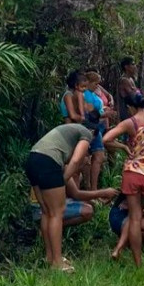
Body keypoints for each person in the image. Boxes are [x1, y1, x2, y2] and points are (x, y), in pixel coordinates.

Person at [25, 115, 119, 272]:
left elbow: (74, 185)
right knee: (56, 213)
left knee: (47, 212)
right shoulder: (86, 133)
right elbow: (75, 160)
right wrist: (61, 181)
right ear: (93, 132)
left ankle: (50, 257)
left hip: (32, 160)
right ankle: (57, 262)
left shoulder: (65, 136)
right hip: (48, 163)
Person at [102, 92, 144, 266]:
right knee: (142, 213)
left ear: (130, 107)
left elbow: (106, 139)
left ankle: (138, 263)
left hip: (132, 173)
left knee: (135, 217)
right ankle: (125, 250)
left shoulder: (130, 123)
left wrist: (123, 146)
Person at [117, 57, 139, 122]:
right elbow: (134, 97)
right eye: (133, 64)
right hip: (126, 113)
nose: (135, 66)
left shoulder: (131, 79)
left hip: (133, 112)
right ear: (126, 67)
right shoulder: (124, 80)